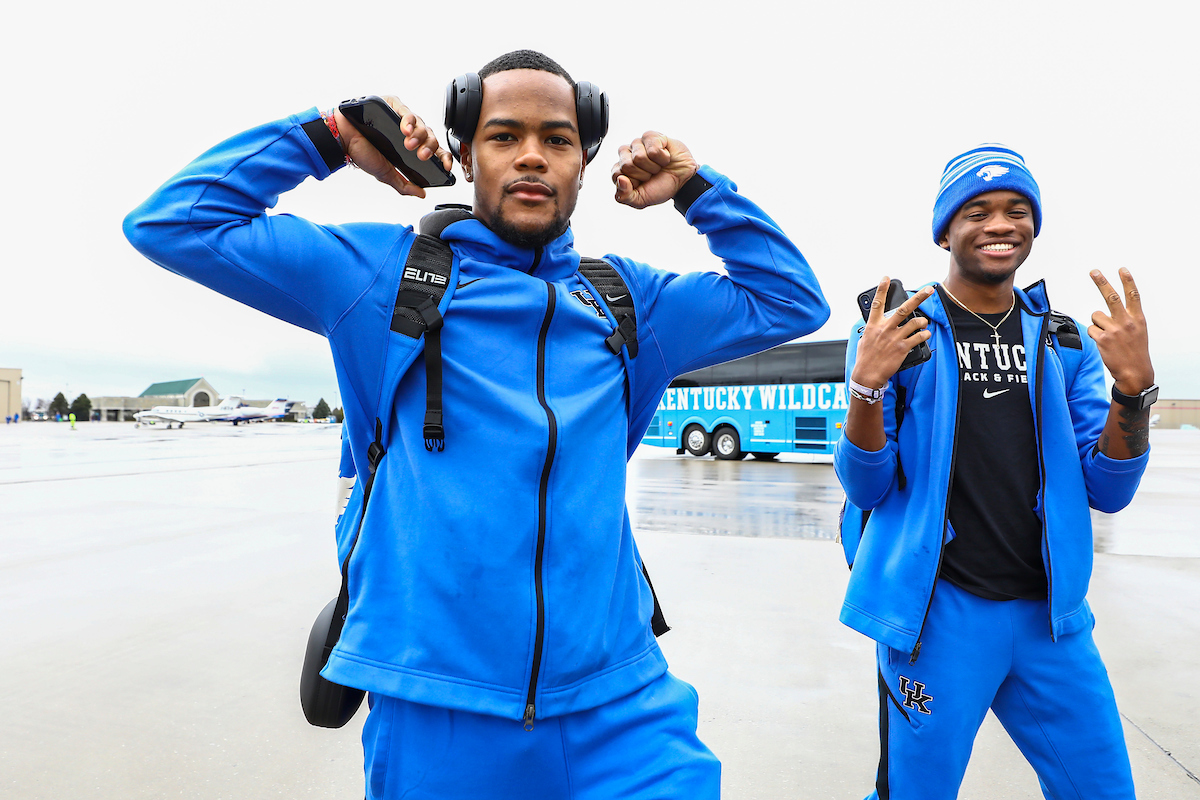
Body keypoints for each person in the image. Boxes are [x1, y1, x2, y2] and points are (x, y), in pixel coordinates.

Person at [123, 50, 829, 799]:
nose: (532, 155)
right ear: (463, 153)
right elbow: (172, 223)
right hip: (440, 711)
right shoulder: (380, 277)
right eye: (503, 136)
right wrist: (331, 136)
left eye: (557, 139)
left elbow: (791, 300)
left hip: (623, 707)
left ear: (584, 161)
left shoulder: (631, 305)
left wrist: (695, 190)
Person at [834, 144, 1155, 799]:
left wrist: (1135, 391)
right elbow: (866, 485)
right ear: (945, 229)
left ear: (1034, 225)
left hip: (1051, 622)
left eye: (1016, 210)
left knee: (1105, 790)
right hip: (940, 615)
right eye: (976, 211)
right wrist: (866, 386)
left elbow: (1108, 490)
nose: (999, 224)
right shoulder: (902, 328)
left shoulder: (1062, 342)